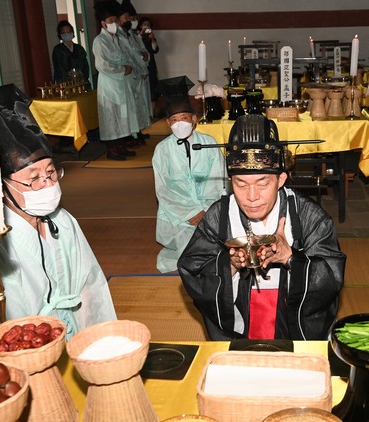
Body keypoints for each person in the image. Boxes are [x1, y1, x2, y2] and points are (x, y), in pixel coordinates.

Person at [0, 84, 117, 338]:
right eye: (34, 178)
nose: (48, 184)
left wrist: (96, 339)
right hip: (27, 351)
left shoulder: (62, 222)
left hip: (75, 338)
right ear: (2, 185)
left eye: (51, 172)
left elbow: (90, 285)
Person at [178, 114, 346, 340]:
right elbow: (193, 270)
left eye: (263, 183)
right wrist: (230, 266)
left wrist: (290, 258)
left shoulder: (308, 216)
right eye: (241, 183)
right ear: (231, 181)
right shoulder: (219, 216)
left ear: (282, 179)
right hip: (240, 317)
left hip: (292, 317)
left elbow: (331, 278)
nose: (252, 197)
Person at [153, 84, 226, 273]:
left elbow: (218, 179)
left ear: (193, 120)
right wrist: (189, 213)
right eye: (174, 120)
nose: (179, 124)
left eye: (183, 118)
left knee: (218, 251)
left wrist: (205, 210)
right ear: (168, 123)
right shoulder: (162, 150)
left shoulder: (209, 143)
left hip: (208, 209)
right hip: (177, 214)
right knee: (189, 254)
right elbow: (163, 189)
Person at [91, 1, 136, 161]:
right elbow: (102, 64)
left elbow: (124, 57)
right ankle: (112, 149)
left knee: (122, 116)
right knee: (111, 116)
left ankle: (121, 145)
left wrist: (129, 66)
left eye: (116, 20)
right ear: (103, 23)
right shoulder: (100, 41)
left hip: (121, 83)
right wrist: (123, 69)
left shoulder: (116, 39)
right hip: (109, 84)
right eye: (111, 21)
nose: (114, 24)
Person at [117, 1, 150, 143]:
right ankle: (130, 135)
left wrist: (145, 57)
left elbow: (142, 50)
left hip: (138, 74)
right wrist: (140, 60)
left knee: (139, 105)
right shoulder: (119, 36)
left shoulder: (132, 34)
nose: (130, 21)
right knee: (129, 108)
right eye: (127, 18)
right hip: (128, 75)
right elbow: (130, 55)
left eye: (131, 18)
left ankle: (138, 131)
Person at [51, 20, 91, 89]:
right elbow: (60, 69)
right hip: (66, 85)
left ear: (72, 33)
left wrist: (83, 80)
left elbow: (85, 67)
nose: (67, 34)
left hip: (82, 84)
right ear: (60, 35)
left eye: (69, 32)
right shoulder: (58, 50)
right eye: (63, 32)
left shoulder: (79, 48)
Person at [137, 16, 160, 116]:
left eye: (148, 25)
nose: (146, 26)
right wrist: (140, 35)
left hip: (151, 65)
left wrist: (152, 39)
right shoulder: (136, 37)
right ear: (140, 25)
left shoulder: (151, 37)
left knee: (153, 86)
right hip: (140, 64)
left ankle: (152, 112)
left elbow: (155, 50)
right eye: (144, 24)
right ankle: (144, 113)